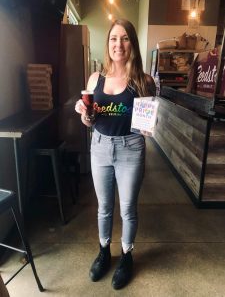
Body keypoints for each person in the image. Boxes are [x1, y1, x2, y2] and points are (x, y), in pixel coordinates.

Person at [75, 18, 156, 290]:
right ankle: (103, 252)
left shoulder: (144, 81)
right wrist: (85, 116)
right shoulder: (95, 79)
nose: (118, 44)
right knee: (104, 208)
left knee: (128, 209)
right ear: (107, 43)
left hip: (131, 148)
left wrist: (149, 126)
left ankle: (126, 256)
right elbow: (90, 122)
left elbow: (147, 126)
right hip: (99, 147)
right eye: (113, 38)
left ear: (131, 43)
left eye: (124, 38)